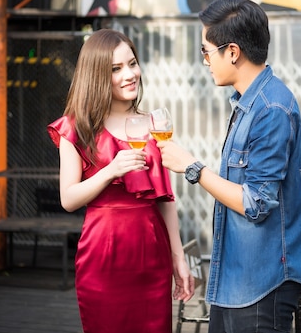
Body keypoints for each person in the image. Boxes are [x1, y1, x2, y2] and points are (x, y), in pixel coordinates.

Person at [157, 0, 301, 333]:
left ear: (232, 52)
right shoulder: (249, 102)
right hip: (236, 276)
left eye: (206, 51)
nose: (204, 61)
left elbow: (256, 203)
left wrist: (192, 167)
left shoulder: (272, 108)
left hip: (263, 280)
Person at [46, 29, 194, 333]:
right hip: (103, 254)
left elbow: (165, 199)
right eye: (116, 69)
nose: (130, 74)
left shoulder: (155, 125)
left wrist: (179, 259)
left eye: (132, 63)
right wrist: (110, 171)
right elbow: (69, 199)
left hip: (152, 253)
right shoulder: (76, 128)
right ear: (97, 75)